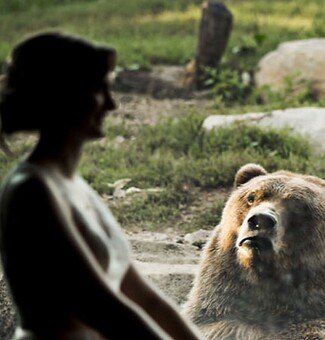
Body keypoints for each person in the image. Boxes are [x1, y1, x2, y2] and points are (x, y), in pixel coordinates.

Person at [0, 31, 203, 340]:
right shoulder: (32, 190)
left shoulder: (76, 187)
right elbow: (107, 311)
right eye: (100, 91)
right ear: (64, 95)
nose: (112, 104)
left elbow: (148, 300)